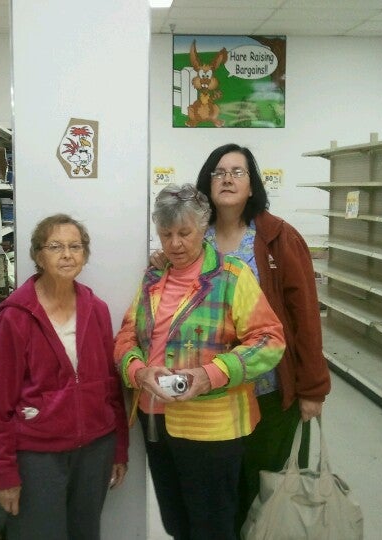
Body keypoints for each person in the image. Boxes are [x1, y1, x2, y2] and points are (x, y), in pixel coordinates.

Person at [152, 144, 332, 532]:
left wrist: (313, 388)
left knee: (267, 492)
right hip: (212, 402)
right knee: (220, 497)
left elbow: (305, 318)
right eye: (219, 172)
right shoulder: (193, 236)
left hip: (269, 391)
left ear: (252, 185)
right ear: (207, 183)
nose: (228, 179)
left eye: (238, 172)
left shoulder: (277, 238)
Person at [115, 183, 286, 540]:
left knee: (212, 527)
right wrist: (139, 372)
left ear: (203, 228)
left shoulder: (231, 275)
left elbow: (269, 340)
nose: (175, 243)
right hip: (155, 421)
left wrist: (212, 374)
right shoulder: (153, 277)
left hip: (212, 426)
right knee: (176, 522)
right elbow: (127, 336)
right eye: (166, 234)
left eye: (184, 233)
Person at [0, 213, 128, 540]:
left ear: (85, 255)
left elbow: (111, 387)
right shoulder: (16, 317)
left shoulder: (97, 309)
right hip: (38, 455)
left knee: (85, 534)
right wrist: (5, 473)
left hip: (95, 449)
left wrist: (119, 448)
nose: (67, 255)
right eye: (55, 246)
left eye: (75, 247)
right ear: (38, 256)